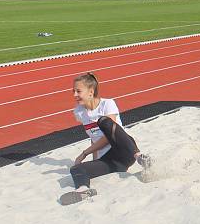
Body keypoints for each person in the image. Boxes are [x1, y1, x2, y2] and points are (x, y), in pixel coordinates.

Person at [62, 73, 153, 205]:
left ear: (91, 92)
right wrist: (94, 160)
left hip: (125, 150)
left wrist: (84, 153)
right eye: (73, 91)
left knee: (104, 122)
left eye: (78, 91)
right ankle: (83, 190)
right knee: (76, 169)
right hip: (112, 162)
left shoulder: (107, 104)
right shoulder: (79, 112)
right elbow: (93, 137)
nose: (74, 95)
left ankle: (140, 158)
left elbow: (108, 137)